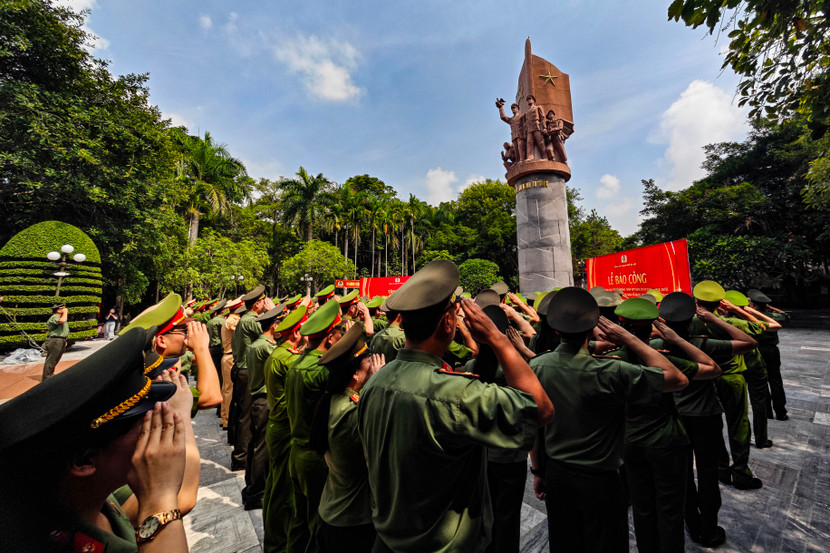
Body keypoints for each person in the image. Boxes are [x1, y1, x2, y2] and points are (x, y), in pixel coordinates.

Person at [358, 259, 554, 552]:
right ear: (448, 322)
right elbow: (541, 409)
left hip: (388, 539)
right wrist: (499, 340)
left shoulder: (375, 380)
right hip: (445, 544)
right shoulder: (454, 392)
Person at [0, 328, 195, 553]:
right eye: (144, 424)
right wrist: (159, 502)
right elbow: (181, 498)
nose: (156, 428)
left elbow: (183, 494)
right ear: (85, 461)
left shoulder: (90, 496)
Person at [529, 287, 688, 553]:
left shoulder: (537, 366)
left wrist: (537, 470)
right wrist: (631, 339)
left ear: (556, 329)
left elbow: (535, 425)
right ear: (594, 328)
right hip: (601, 480)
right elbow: (678, 380)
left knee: (565, 543)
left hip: (557, 474)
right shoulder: (612, 370)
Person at [611, 297, 720, 553]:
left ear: (619, 325)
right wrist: (676, 339)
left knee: (642, 507)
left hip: (629, 441)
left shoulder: (607, 359)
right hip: (667, 442)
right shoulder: (665, 361)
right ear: (652, 327)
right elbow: (712, 368)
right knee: (670, 510)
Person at [309, 323, 384, 553]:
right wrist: (378, 385)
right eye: (369, 361)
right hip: (352, 521)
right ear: (354, 373)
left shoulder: (333, 400)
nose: (374, 365)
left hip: (333, 511)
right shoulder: (354, 413)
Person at [286, 299, 347, 553]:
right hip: (315, 457)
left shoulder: (296, 363)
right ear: (331, 338)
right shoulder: (322, 370)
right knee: (317, 524)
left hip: (296, 450)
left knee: (298, 520)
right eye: (341, 332)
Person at [692, 281, 763, 489]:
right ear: (719, 303)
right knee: (738, 424)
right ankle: (740, 472)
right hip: (733, 378)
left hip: (707, 378)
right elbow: (758, 328)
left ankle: (722, 468)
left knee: (714, 425)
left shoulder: (692, 323)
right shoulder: (731, 323)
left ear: (697, 301)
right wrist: (732, 311)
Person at [263, 305, 308, 553]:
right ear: (295, 334)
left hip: (277, 425)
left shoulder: (279, 353)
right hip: (284, 428)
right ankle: (277, 544)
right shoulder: (287, 358)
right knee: (283, 493)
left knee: (275, 485)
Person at [242, 304, 286, 510]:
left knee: (255, 444)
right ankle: (256, 491)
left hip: (257, 399)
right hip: (265, 399)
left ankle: (250, 485)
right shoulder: (267, 347)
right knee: (262, 448)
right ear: (274, 326)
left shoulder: (256, 344)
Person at [231, 285, 275, 471]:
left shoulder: (244, 320)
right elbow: (272, 334)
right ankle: (241, 457)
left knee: (243, 413)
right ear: (257, 304)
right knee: (247, 416)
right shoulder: (252, 321)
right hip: (248, 371)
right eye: (262, 301)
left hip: (242, 369)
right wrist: (272, 311)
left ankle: (241, 455)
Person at [747, 289, 790, 420]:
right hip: (772, 350)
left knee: (761, 381)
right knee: (776, 380)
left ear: (753, 304)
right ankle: (781, 411)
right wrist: (770, 308)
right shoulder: (770, 316)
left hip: (758, 350)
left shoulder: (749, 316)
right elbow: (785, 315)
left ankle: (767, 412)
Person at [42, 302, 69, 380]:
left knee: (55, 359)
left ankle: (50, 374)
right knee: (51, 359)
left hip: (60, 340)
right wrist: (65, 312)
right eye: (62, 308)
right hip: (55, 340)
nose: (64, 309)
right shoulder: (55, 317)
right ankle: (46, 377)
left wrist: (64, 340)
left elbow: (63, 330)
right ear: (57, 310)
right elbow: (62, 321)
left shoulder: (61, 316)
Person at [496, 98, 527, 162]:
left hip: (521, 135)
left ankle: (522, 160)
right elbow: (503, 117)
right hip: (514, 136)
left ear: (518, 109)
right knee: (516, 150)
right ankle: (518, 161)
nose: (513, 109)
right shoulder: (511, 120)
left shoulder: (522, 116)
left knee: (521, 148)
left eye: (514, 108)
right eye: (512, 108)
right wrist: (500, 108)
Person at [525, 94, 546, 160]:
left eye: (530, 99)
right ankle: (530, 156)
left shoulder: (538, 107)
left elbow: (542, 117)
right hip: (529, 127)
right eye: (528, 100)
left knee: (540, 141)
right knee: (529, 142)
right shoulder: (527, 112)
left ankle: (544, 155)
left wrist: (544, 127)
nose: (529, 101)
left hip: (536, 125)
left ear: (533, 100)